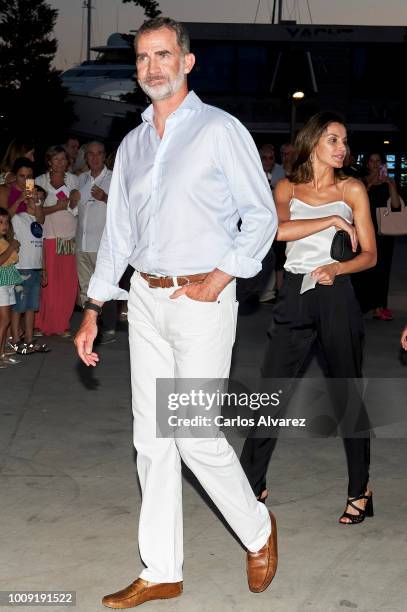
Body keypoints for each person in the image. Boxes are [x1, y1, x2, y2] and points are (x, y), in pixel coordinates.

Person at [75, 17, 278, 609]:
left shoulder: (220, 130)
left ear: (187, 62)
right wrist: (94, 309)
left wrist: (220, 277)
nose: (152, 67)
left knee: (191, 432)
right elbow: (117, 237)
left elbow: (260, 215)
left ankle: (257, 528)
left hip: (200, 301)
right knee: (152, 440)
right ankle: (162, 568)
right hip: (145, 299)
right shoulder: (133, 144)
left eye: (163, 55)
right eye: (142, 58)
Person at [240, 112, 377, 525]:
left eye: (345, 141)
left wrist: (338, 269)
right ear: (314, 142)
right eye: (334, 139)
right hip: (295, 296)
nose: (342, 148)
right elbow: (278, 231)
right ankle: (251, 484)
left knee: (346, 395)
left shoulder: (353, 188)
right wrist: (333, 220)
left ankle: (360, 490)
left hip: (337, 297)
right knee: (270, 394)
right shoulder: (287, 186)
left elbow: (369, 254)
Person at [35, 146, 80, 336]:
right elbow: (31, 211)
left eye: (63, 159)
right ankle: (40, 324)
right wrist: (56, 207)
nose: (60, 162)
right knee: (48, 283)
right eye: (56, 159)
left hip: (68, 238)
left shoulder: (74, 180)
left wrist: (74, 203)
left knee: (67, 282)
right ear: (49, 162)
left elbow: (76, 207)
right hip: (48, 237)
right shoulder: (37, 181)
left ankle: (62, 324)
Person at [352, 152, 400, 320]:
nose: (374, 164)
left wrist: (391, 184)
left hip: (384, 232)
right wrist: (371, 183)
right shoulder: (360, 181)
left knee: (382, 269)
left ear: (382, 164)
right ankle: (361, 305)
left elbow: (395, 206)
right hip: (365, 228)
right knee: (363, 268)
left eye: (377, 161)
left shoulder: (389, 182)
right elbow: (356, 201)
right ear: (367, 164)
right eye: (371, 161)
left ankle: (379, 307)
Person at [76, 142, 115, 343]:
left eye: (99, 153)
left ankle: (107, 328)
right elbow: (75, 209)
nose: (95, 157)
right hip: (82, 242)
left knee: (104, 285)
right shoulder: (81, 178)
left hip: (103, 244)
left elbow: (124, 207)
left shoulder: (114, 177)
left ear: (105, 156)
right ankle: (89, 326)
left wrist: (105, 197)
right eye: (90, 154)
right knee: (85, 288)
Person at [9, 185, 49, 354]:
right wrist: (19, 200)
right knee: (19, 307)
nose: (37, 202)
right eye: (34, 198)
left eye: (40, 199)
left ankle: (29, 339)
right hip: (22, 269)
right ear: (27, 199)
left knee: (32, 307)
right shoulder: (19, 218)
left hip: (35, 269)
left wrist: (44, 269)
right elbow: (7, 215)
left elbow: (42, 248)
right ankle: (16, 341)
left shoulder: (39, 222)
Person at [258, 144, 285, 304]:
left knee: (275, 259)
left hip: (276, 223)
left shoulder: (280, 173)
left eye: (271, 158)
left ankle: (270, 293)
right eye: (264, 158)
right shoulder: (252, 172)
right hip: (257, 224)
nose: (268, 161)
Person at [0, 207, 22, 367]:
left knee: (5, 320)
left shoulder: (4, 240)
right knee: (4, 320)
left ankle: (1, 353)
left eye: (6, 222)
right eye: (0, 222)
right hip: (1, 284)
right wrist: (11, 248)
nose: (4, 225)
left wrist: (12, 247)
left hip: (7, 282)